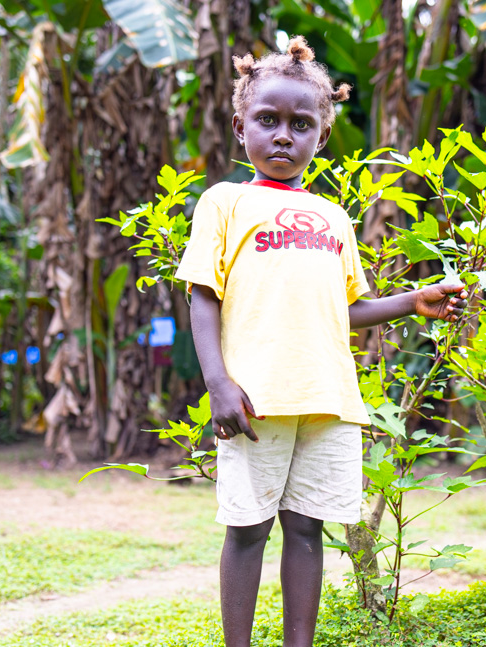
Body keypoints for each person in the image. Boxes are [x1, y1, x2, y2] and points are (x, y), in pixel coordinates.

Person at [174, 36, 468, 647]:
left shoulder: (334, 218)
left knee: (306, 529)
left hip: (328, 398)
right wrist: (219, 383)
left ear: (321, 138)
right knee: (248, 530)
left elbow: (350, 308)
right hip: (255, 397)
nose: (283, 136)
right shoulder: (224, 202)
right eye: (268, 121)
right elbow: (204, 294)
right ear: (240, 127)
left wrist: (414, 301)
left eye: (300, 125)